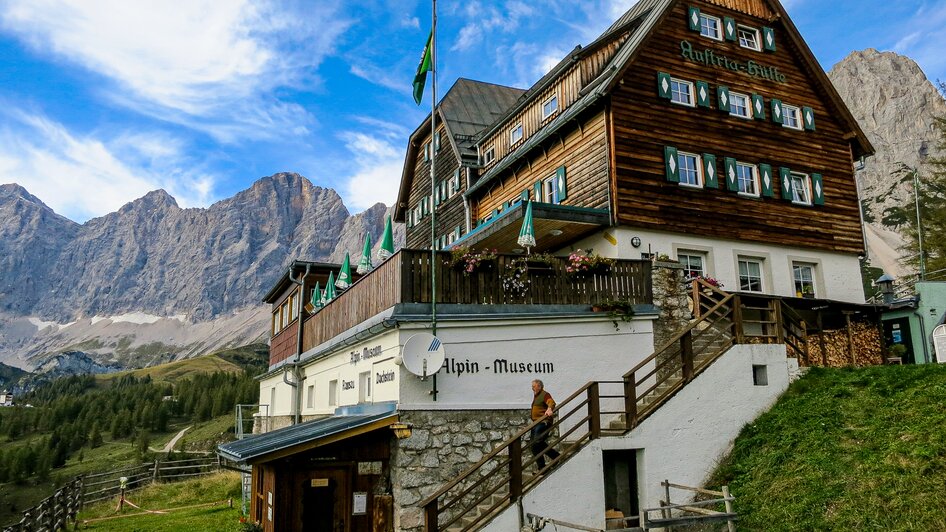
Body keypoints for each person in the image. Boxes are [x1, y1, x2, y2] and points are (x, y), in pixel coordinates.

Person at [529, 379, 560, 470]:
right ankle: (542, 467)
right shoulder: (537, 396)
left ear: (539, 386)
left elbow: (551, 402)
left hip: (543, 422)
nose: (532, 388)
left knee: (537, 442)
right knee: (534, 445)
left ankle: (554, 457)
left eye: (534, 386)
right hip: (536, 423)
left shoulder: (544, 394)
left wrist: (549, 409)